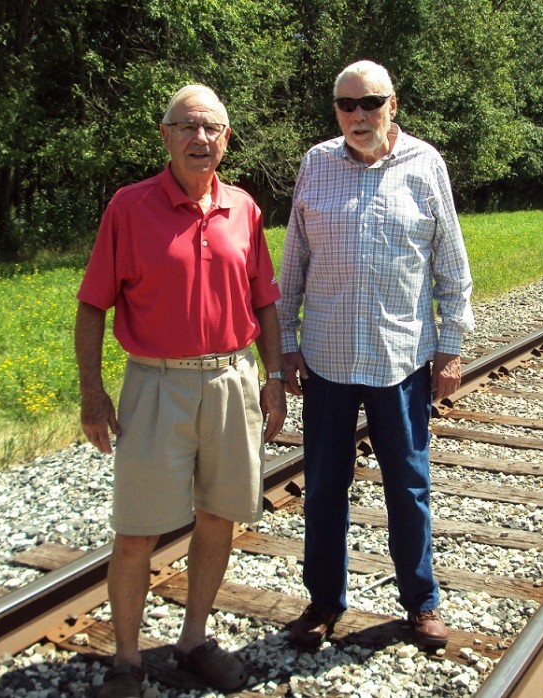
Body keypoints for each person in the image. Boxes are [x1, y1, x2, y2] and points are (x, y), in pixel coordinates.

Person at [74, 84, 287, 698]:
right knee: (137, 531)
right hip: (156, 383)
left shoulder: (244, 208)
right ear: (165, 135)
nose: (200, 138)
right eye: (187, 126)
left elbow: (265, 302)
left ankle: (193, 638)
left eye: (212, 128)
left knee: (219, 517)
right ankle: (126, 659)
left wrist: (271, 381)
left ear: (226, 139)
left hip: (230, 378)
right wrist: (94, 394)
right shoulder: (129, 206)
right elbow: (91, 306)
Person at [277, 60, 474, 650]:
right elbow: (293, 264)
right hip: (328, 361)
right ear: (336, 109)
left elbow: (451, 268)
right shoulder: (316, 164)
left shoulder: (425, 165)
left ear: (393, 105)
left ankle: (420, 601)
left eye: (371, 103)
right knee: (323, 486)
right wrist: (286, 340)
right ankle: (323, 601)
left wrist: (451, 349)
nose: (358, 115)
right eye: (346, 104)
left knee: (409, 486)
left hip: (401, 358)